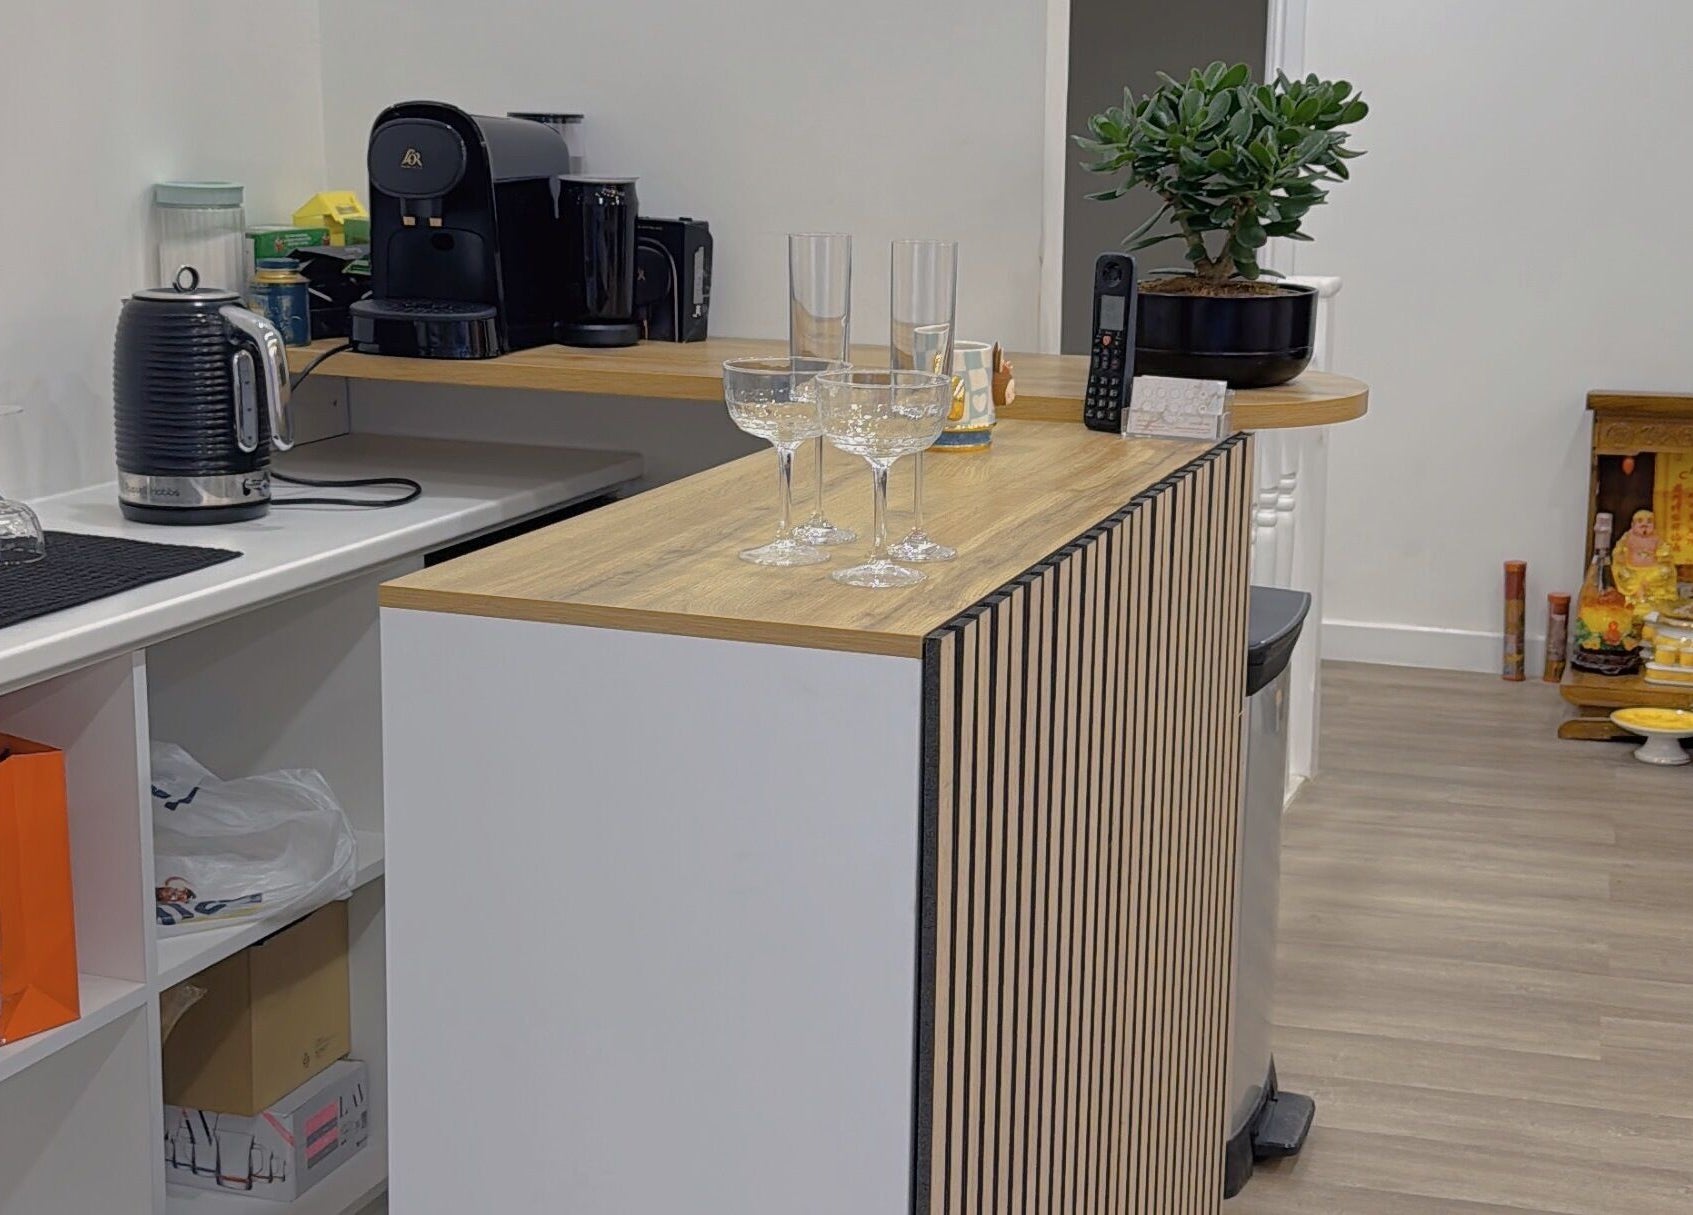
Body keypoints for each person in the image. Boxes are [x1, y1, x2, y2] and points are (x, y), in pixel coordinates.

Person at [1613, 509, 1680, 620]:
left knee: (1664, 571)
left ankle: (1653, 599)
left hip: (1652, 572)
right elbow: (1617, 553)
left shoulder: (1657, 538)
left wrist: (1663, 556)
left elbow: (1665, 553)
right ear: (1632, 525)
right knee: (1624, 574)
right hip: (1632, 571)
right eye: (1640, 522)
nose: (1644, 525)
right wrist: (1621, 557)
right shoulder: (1627, 538)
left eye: (1649, 522)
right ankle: (1637, 595)